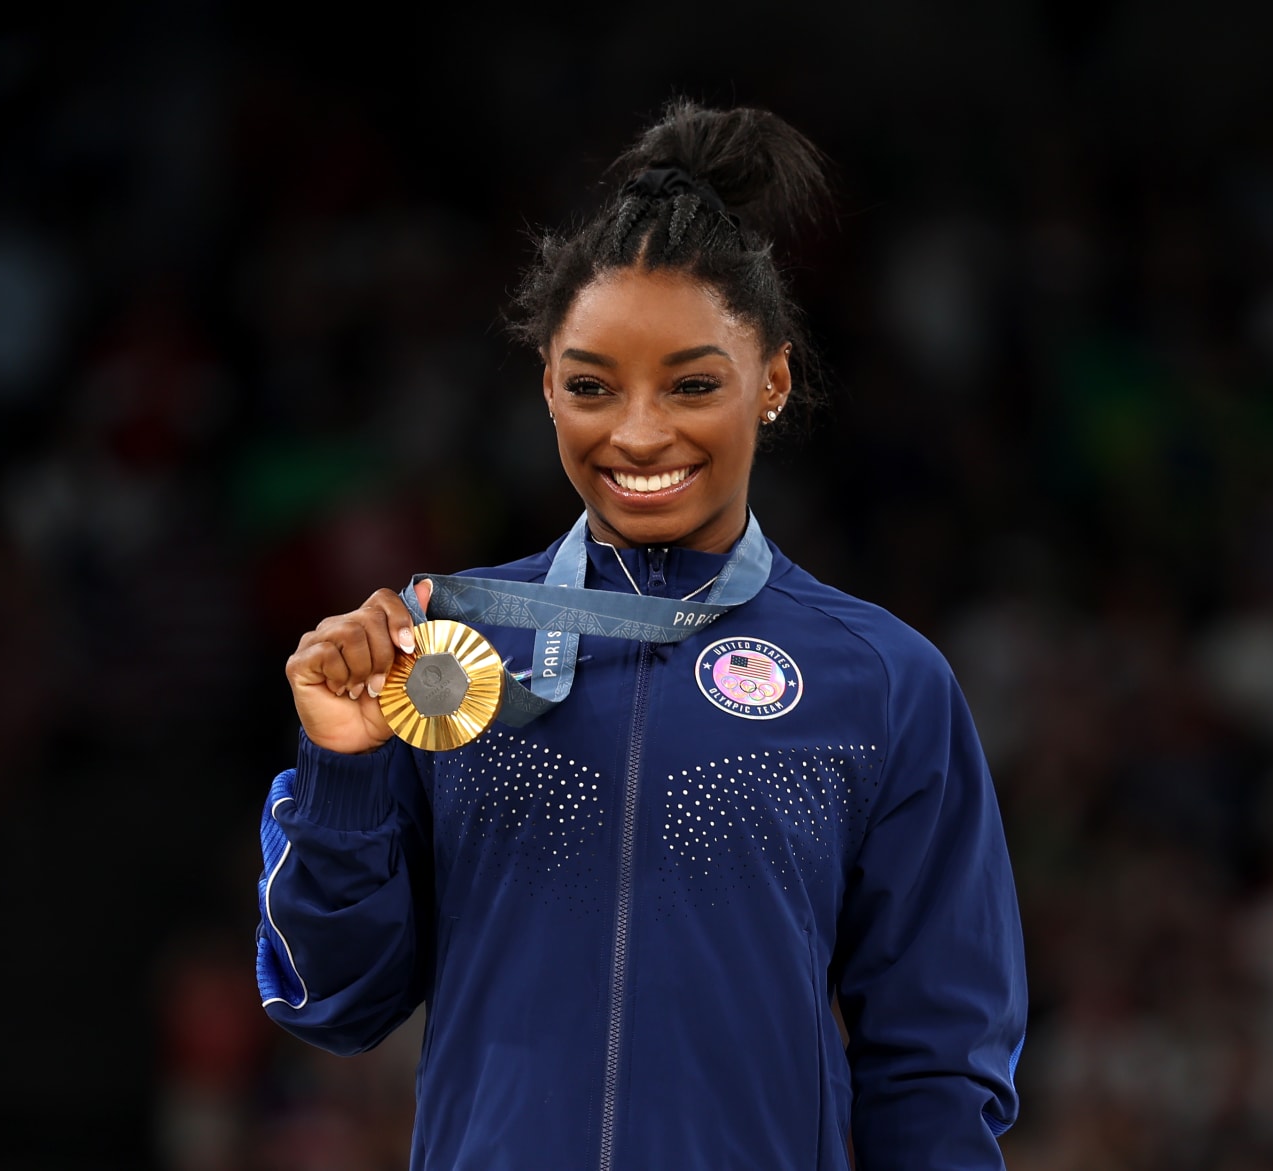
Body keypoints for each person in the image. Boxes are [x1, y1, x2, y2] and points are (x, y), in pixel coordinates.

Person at [257, 101, 1026, 1170]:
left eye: (693, 384)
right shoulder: (439, 650)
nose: (639, 432)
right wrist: (343, 767)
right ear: (546, 388)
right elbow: (331, 998)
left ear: (774, 382)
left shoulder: (884, 683)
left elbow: (938, 1067)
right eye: (592, 386)